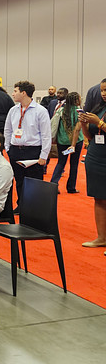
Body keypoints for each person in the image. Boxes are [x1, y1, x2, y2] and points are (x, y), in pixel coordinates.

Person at [4, 80, 51, 208]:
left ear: (23, 93)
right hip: (15, 150)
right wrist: (8, 148)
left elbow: (46, 135)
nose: (13, 94)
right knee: (19, 180)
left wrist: (44, 155)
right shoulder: (13, 110)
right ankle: (21, 205)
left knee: (34, 182)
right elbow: (7, 130)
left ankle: (34, 208)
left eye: (15, 91)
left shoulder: (40, 111)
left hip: (33, 151)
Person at [79, 78, 106, 250]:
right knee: (99, 198)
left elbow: (100, 126)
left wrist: (99, 123)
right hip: (95, 156)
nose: (103, 93)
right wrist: (84, 124)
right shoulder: (99, 108)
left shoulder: (98, 116)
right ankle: (102, 238)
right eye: (102, 90)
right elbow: (90, 136)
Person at [50, 92, 84, 194]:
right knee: (74, 164)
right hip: (76, 143)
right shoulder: (80, 112)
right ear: (77, 100)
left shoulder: (60, 110)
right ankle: (71, 187)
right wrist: (73, 145)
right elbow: (77, 130)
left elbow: (54, 125)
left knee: (61, 162)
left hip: (62, 142)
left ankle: (53, 184)